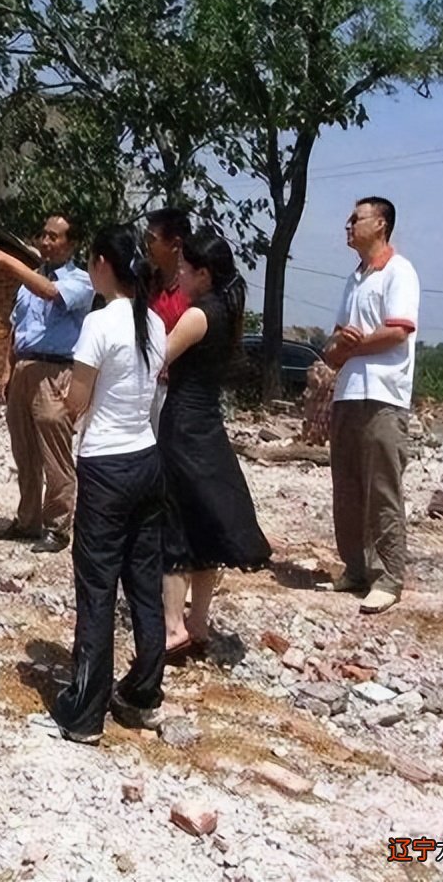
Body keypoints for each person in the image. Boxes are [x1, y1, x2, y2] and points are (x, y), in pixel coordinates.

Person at [49, 223, 167, 744]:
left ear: (101, 263)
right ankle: (143, 691)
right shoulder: (155, 322)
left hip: (106, 464)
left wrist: (63, 404)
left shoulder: (99, 322)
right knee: (144, 581)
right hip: (146, 458)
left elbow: (77, 400)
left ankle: (85, 711)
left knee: (97, 586)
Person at [158, 228, 271, 660]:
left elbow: (159, 358)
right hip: (207, 426)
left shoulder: (196, 315)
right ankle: (198, 623)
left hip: (181, 426)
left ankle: (171, 628)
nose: (180, 274)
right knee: (205, 526)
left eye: (185, 268)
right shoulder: (228, 310)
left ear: (202, 273)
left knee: (175, 528)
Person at [321, 197, 419, 615]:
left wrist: (353, 344)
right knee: (346, 485)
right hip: (348, 395)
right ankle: (356, 568)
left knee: (382, 489)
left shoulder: (400, 272)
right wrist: (340, 349)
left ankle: (388, 576)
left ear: (380, 224)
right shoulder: (355, 278)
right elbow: (338, 341)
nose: (347, 225)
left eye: (355, 218)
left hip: (384, 397)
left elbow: (397, 331)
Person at [0, 215, 94, 553]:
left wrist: (8, 261)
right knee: (24, 450)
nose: (45, 242)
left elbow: (50, 293)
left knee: (55, 452)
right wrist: (7, 370)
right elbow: (16, 328)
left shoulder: (80, 281)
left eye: (53, 236)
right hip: (25, 370)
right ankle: (27, 519)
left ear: (71, 244)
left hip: (56, 371)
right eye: (42, 235)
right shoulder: (28, 283)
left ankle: (58, 527)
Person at [144, 207, 192, 433]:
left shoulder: (193, 293)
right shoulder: (146, 285)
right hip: (146, 385)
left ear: (175, 244)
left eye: (151, 239)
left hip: (179, 390)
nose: (146, 244)